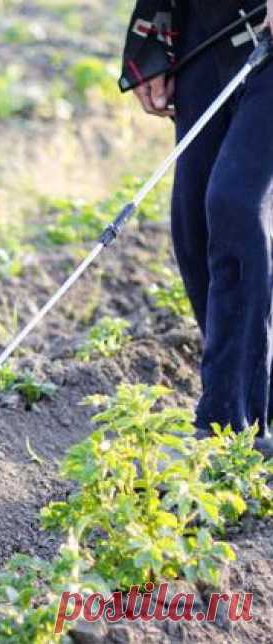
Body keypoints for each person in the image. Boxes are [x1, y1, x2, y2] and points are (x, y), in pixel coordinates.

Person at [121, 1, 273, 454]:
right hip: (206, 31)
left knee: (236, 205)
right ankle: (249, 396)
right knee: (193, 229)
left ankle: (230, 427)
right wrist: (152, 43)